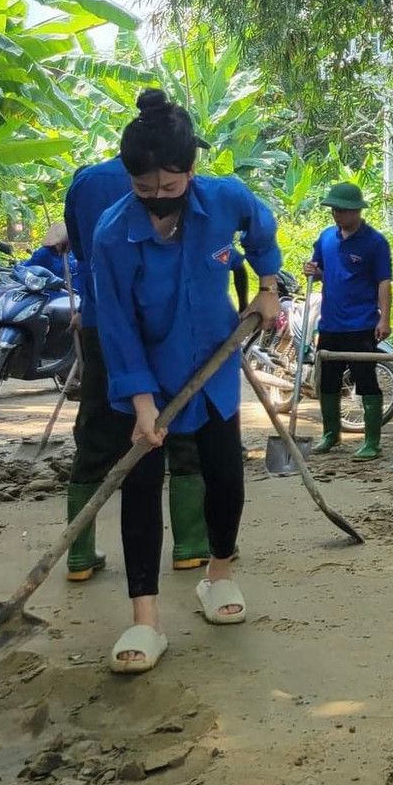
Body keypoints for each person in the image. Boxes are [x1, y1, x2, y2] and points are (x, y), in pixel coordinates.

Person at [92, 89, 281, 672]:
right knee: (141, 487)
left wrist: (268, 284)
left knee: (225, 476)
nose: (158, 201)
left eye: (170, 189)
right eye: (144, 190)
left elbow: (261, 227)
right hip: (145, 377)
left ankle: (217, 575)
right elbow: (118, 327)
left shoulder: (225, 201)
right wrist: (143, 403)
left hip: (214, 369)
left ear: (190, 170)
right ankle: (145, 621)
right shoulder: (111, 234)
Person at [65, 155, 215, 582]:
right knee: (183, 422)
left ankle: (79, 553)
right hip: (170, 323)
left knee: (97, 428)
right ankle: (189, 544)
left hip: (104, 323)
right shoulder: (187, 183)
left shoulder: (87, 181)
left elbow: (81, 250)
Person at [303, 182, 393, 461]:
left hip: (361, 324)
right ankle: (331, 433)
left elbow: (384, 282)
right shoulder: (327, 238)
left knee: (365, 380)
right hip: (330, 322)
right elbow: (320, 270)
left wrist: (385, 319)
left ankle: (372, 440)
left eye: (342, 210)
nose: (336, 215)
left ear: (356, 211)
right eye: (333, 210)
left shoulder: (375, 242)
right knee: (327, 381)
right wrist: (312, 271)